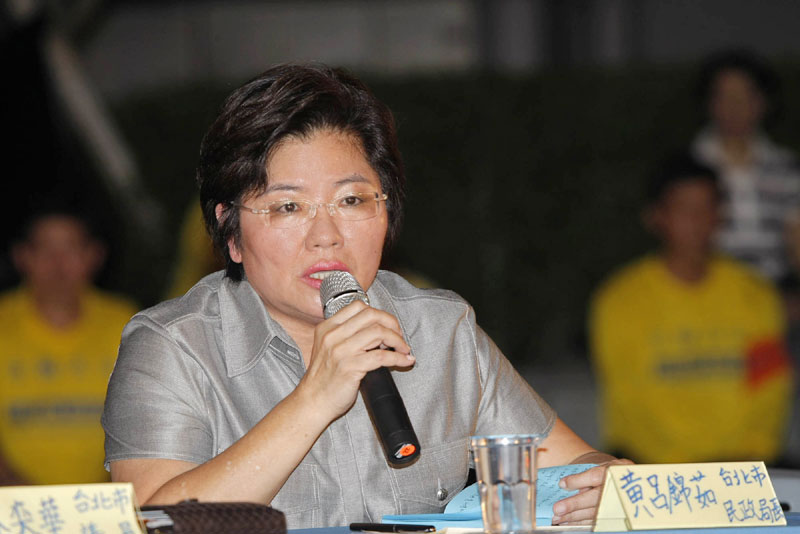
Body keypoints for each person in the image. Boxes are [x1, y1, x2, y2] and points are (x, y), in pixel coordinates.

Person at [102, 64, 626, 529]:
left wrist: (609, 483)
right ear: (231, 232)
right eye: (288, 207)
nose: (326, 236)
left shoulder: (440, 331)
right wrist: (314, 398)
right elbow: (155, 524)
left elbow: (578, 466)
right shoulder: (171, 347)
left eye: (352, 200)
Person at [590, 154, 795, 464]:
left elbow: (771, 388)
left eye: (707, 207)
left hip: (744, 466)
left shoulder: (755, 294)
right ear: (656, 217)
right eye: (684, 209)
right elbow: (628, 399)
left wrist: (747, 458)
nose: (697, 220)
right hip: (654, 468)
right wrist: (680, 469)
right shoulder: (620, 299)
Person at [0, 207, 137, 485]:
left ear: (94, 255)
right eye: (45, 250)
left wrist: (104, 492)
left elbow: (144, 421)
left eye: (70, 249)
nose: (58, 263)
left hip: (107, 498)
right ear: (22, 256)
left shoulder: (125, 322)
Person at [691, 49, 800, 286]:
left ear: (764, 102)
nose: (734, 106)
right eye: (724, 96)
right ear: (709, 103)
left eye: (745, 95)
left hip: (775, 291)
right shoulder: (691, 167)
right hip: (710, 290)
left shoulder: (788, 168)